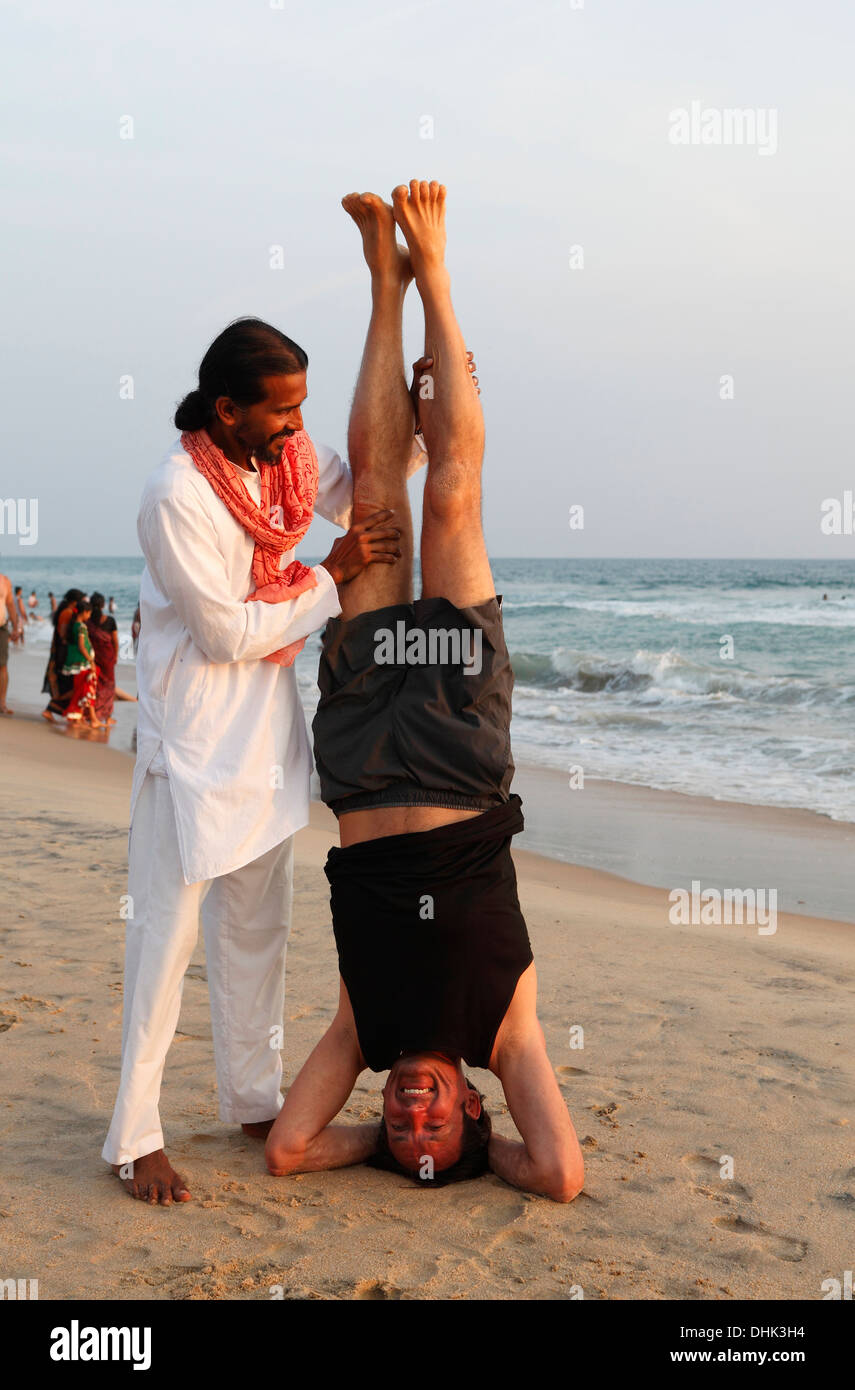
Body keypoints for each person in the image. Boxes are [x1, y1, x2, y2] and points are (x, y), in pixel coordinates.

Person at [265, 183, 584, 1202]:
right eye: (432, 1118)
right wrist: (475, 1158)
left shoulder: (366, 1033)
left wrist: (381, 1142)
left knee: (372, 496)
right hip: (456, 745)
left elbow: (291, 1149)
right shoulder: (507, 1029)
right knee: (448, 491)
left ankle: (383, 284)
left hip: (360, 760)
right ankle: (437, 271)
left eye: (403, 1125)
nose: (411, 1110)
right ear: (475, 1107)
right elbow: (563, 1174)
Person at [103, 314, 430, 1205]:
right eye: (281, 411)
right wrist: (328, 576)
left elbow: (371, 478)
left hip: (266, 744)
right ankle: (135, 1139)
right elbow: (223, 631)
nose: (295, 426)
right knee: (162, 947)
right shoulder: (175, 494)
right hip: (192, 750)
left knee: (257, 937)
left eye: (301, 409)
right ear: (226, 410)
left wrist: (420, 401)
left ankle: (252, 1099)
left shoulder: (281, 463)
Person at [42, 588, 85, 721]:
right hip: (63, 652)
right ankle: (50, 709)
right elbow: (63, 634)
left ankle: (58, 710)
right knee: (66, 683)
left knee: (66, 682)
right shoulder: (67, 612)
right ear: (75, 601)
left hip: (62, 651)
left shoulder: (65, 610)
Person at [63, 596, 100, 725]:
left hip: (76, 662)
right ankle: (79, 714)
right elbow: (82, 646)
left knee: (80, 687)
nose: (89, 616)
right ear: (84, 612)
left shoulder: (74, 625)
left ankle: (80, 715)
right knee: (85, 688)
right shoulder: (81, 627)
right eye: (89, 613)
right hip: (82, 662)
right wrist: (91, 661)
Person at [86, 591, 119, 725]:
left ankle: (93, 714)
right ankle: (107, 716)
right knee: (109, 687)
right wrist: (115, 656)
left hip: (93, 658)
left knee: (95, 686)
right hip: (108, 659)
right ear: (103, 604)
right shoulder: (110, 620)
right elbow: (115, 641)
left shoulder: (88, 622)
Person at [0, 570, 23, 716]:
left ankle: (1, 703)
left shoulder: (4, 581)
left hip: (1, 628)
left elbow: (10, 605)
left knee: (2, 666)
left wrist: (16, 627)